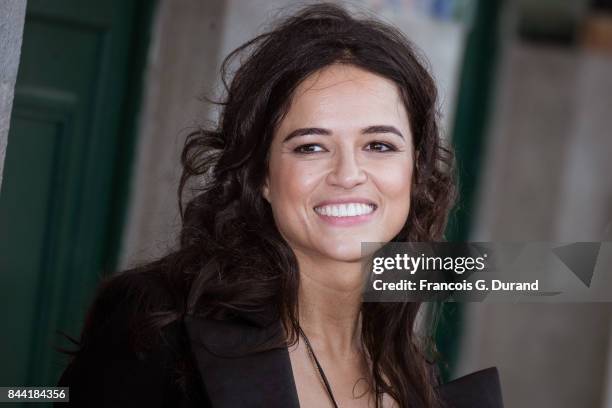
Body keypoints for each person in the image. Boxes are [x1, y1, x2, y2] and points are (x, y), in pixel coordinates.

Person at [57, 3, 503, 407]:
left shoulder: (413, 372)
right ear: (262, 175)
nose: (348, 174)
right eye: (310, 147)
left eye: (380, 145)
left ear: (416, 170)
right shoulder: (158, 324)